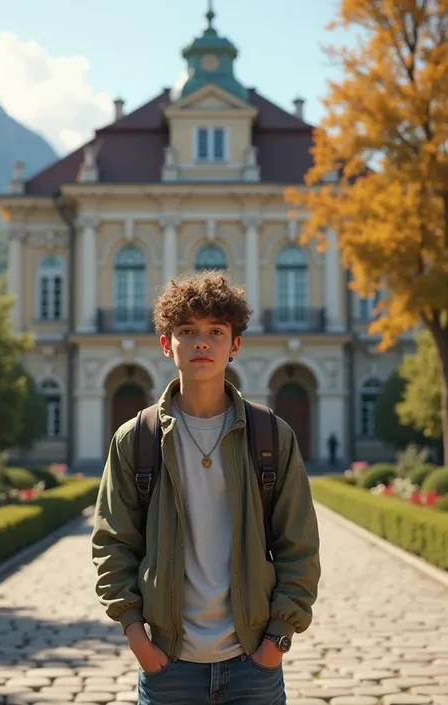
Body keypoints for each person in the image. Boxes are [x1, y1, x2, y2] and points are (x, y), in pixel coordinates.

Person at [91, 271, 321, 705]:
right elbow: (112, 543)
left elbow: (300, 545)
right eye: (187, 331)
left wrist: (276, 642)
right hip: (168, 667)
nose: (201, 342)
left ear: (235, 345)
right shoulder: (135, 438)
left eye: (216, 331)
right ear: (166, 344)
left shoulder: (271, 435)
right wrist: (138, 638)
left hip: (253, 665)